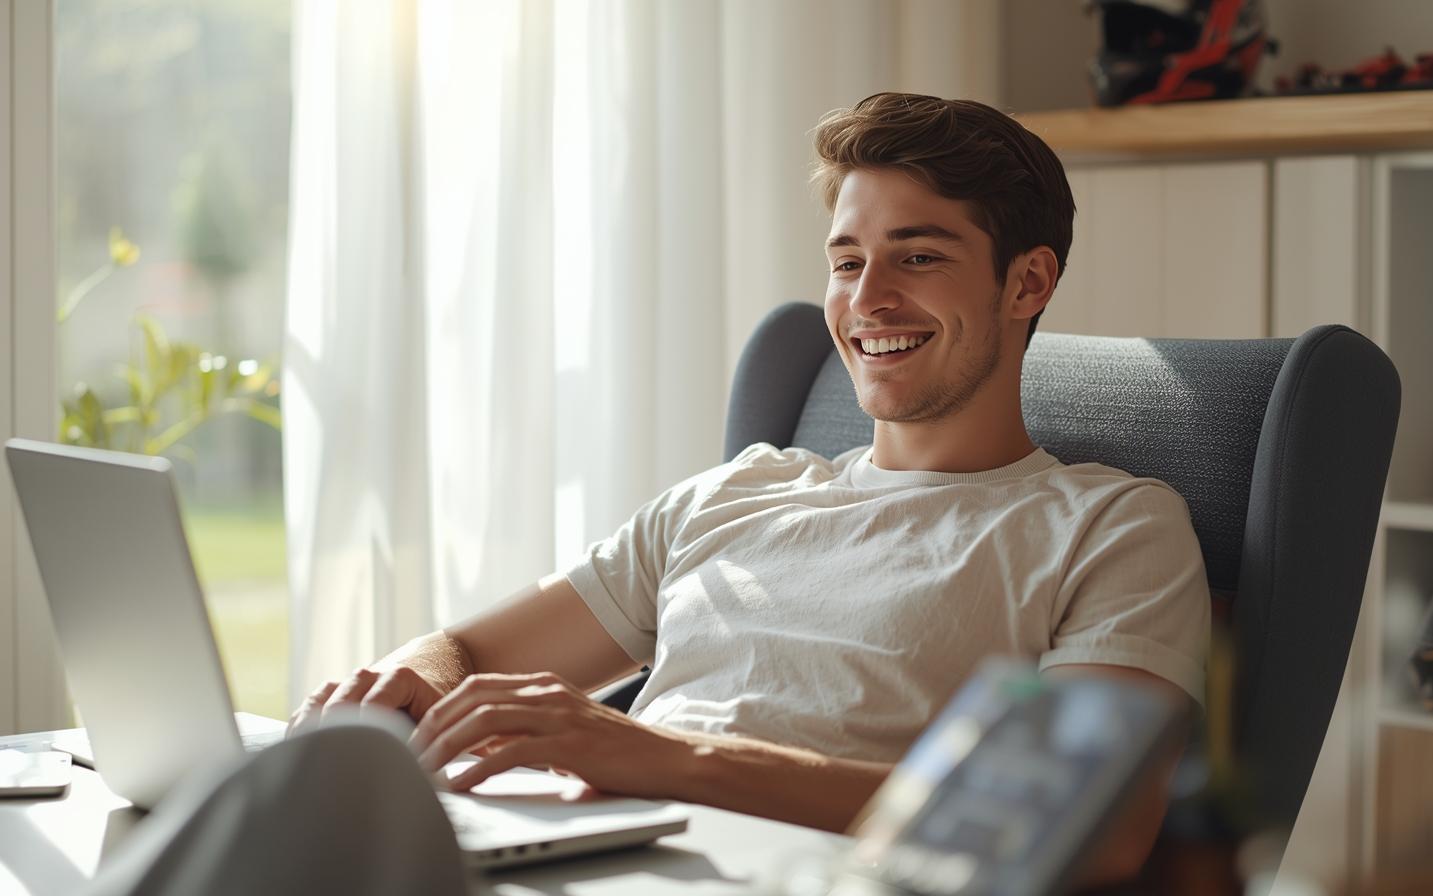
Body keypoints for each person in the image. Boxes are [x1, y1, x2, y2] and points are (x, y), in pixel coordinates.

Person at [290, 92, 1209, 885]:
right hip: (576, 862)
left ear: (1028, 282)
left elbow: (1090, 826)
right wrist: (399, 684)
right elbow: (468, 653)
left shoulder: (1109, 525)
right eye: (848, 262)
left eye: (919, 257)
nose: (869, 299)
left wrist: (656, 756)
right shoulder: (738, 492)